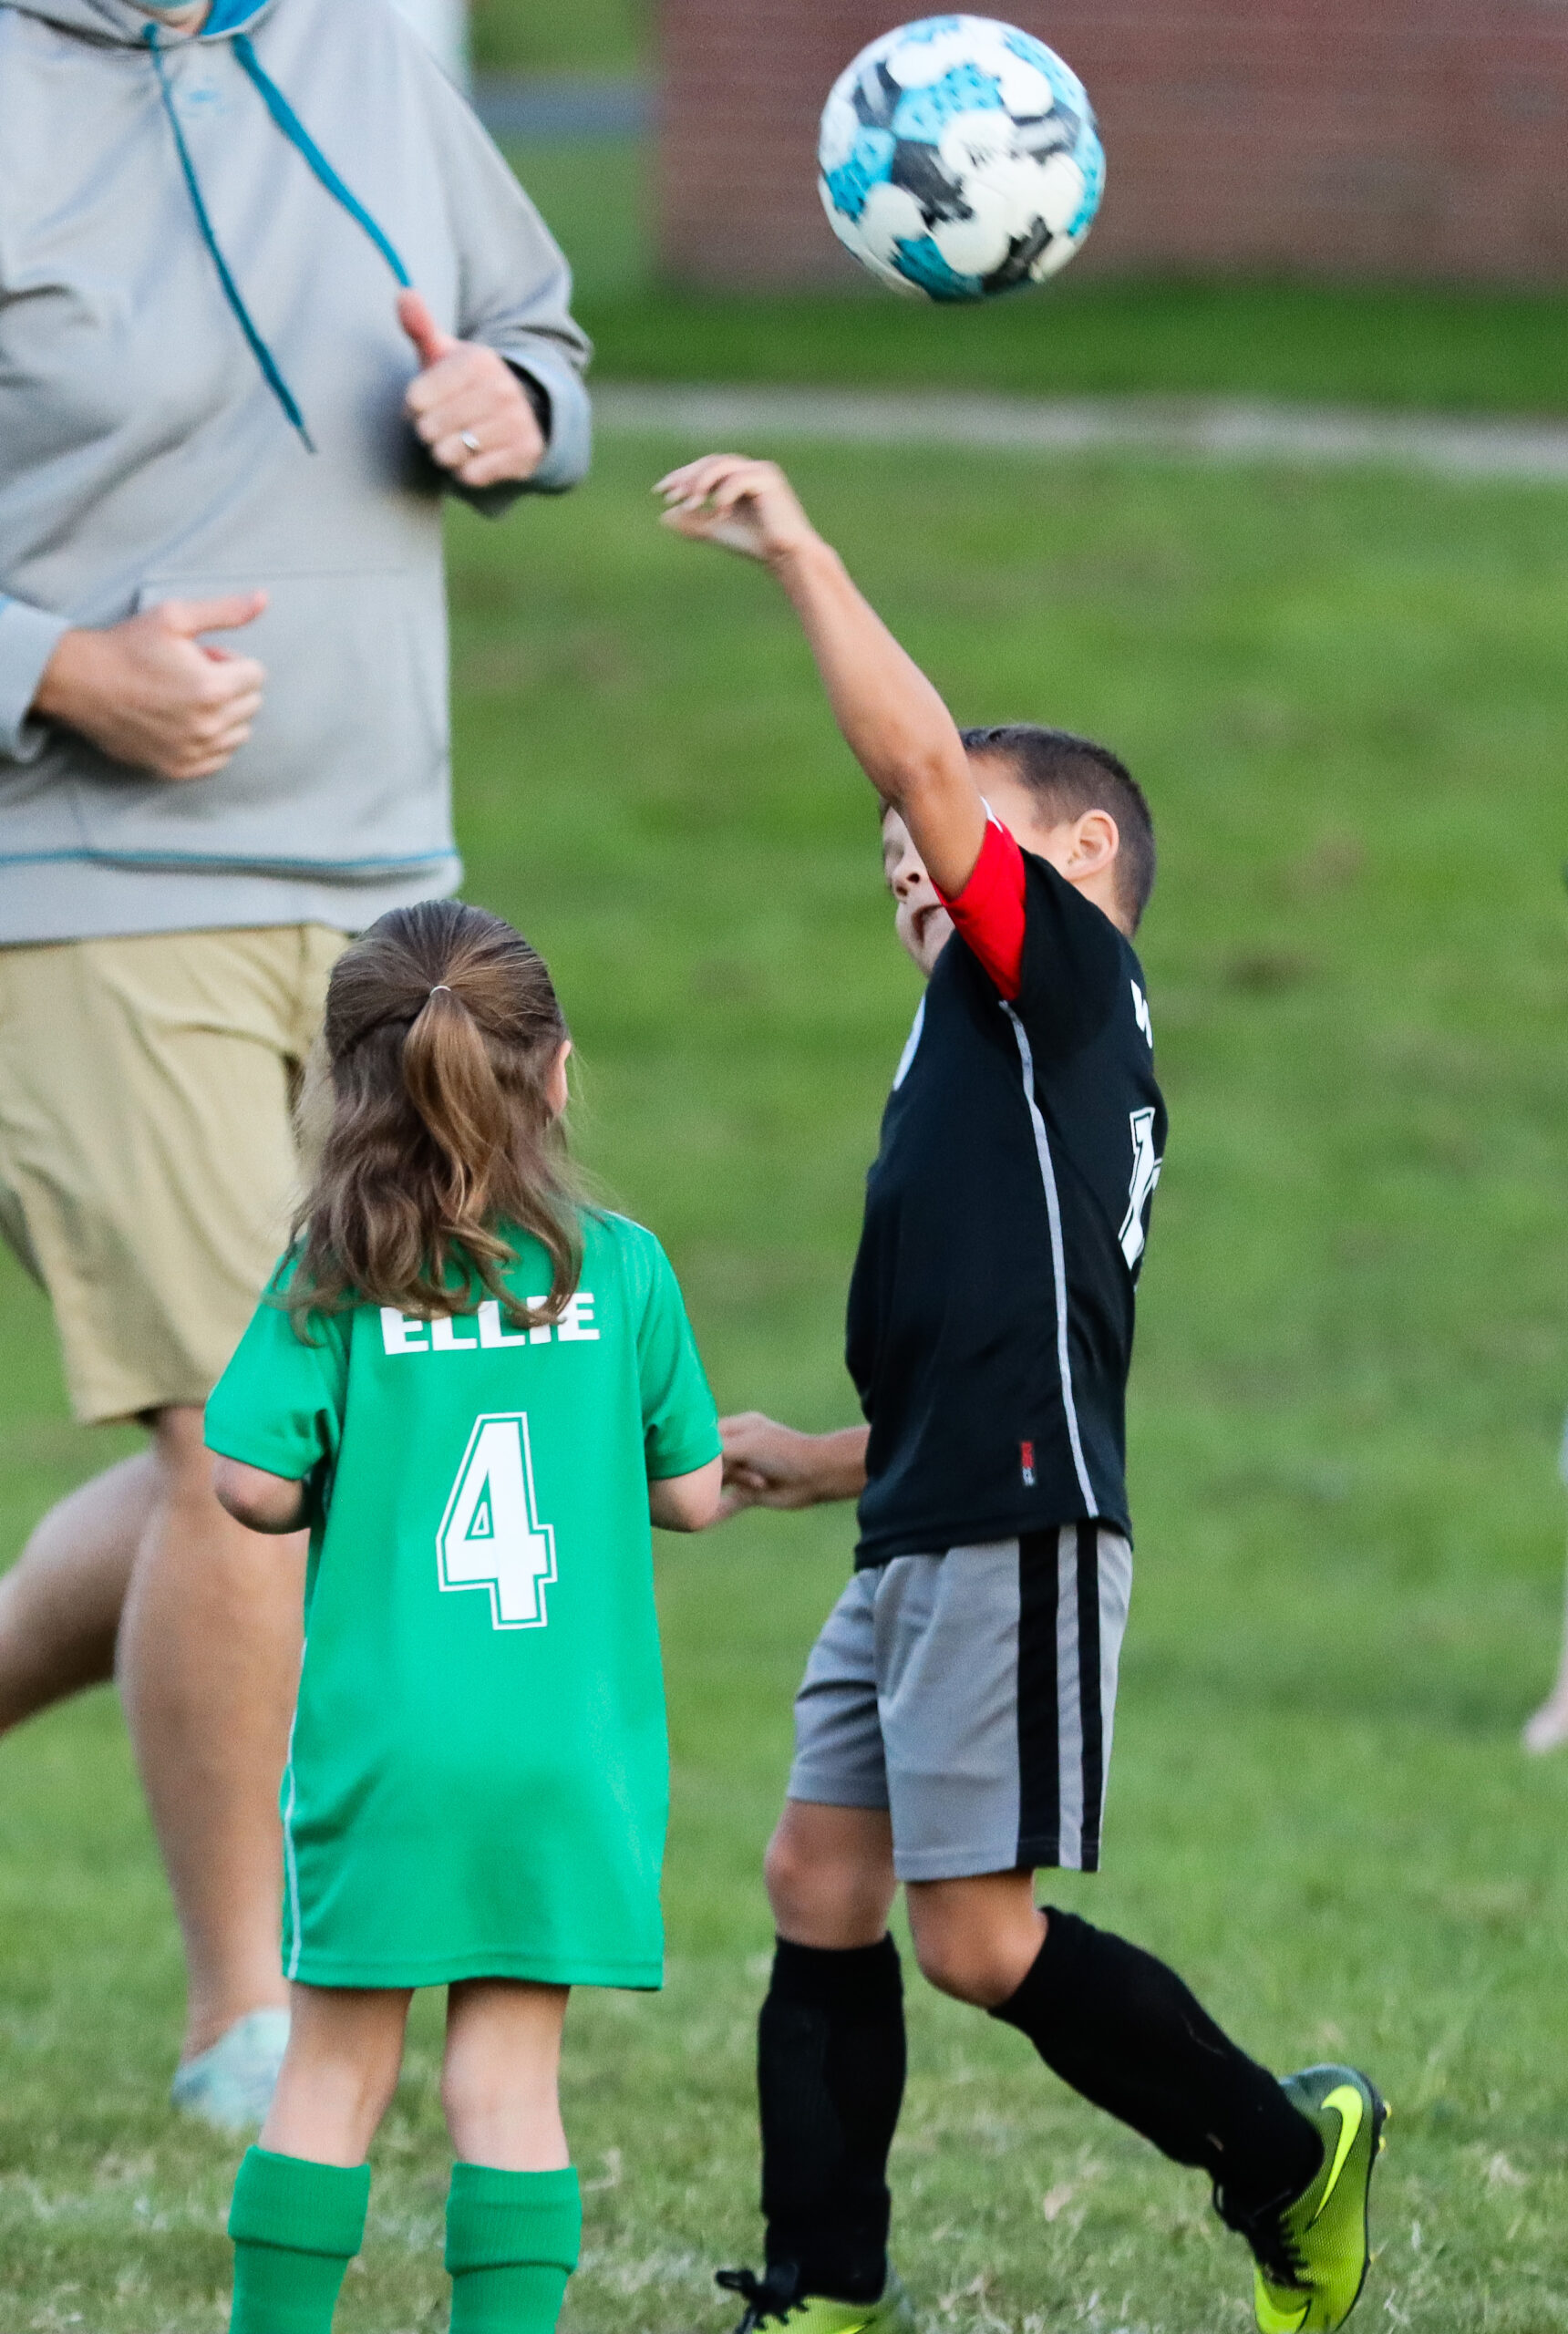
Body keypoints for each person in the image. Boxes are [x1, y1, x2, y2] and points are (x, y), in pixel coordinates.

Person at [658, 455, 1387, 2334]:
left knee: (975, 1939)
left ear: (1076, 859)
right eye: (898, 851)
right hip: (926, 1512)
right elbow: (1001, 1342)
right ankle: (823, 2285)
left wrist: (800, 551)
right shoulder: (972, 1055)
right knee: (816, 1872)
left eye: (952, 829)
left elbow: (909, 754)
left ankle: (1286, 2156)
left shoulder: (1061, 981)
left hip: (1012, 1526)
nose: (909, 853)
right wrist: (819, 1461)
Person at [0, 0, 591, 2124]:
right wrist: (56, 666)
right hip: (76, 884)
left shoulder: (354, 54)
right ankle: (244, 2014)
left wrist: (514, 408)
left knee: (343, 1429)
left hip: (385, 889)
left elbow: (538, 334)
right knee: (235, 1433)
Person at [203, 898, 724, 2334]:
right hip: (564, 1755)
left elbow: (247, 1482)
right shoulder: (621, 1268)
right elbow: (688, 1495)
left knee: (331, 2079)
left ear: (348, 1088)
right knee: (507, 2089)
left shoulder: (339, 1275)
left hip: (392, 1752)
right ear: (556, 1074)